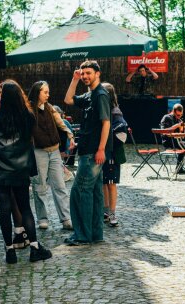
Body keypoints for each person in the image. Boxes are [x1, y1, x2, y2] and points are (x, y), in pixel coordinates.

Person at [0, 79, 51, 264]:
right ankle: (34, 247)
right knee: (25, 207)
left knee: (4, 209)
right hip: (20, 169)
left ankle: (9, 250)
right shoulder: (27, 116)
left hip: (0, 169)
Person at [64, 60, 111, 245]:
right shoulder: (90, 94)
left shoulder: (100, 95)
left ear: (98, 73)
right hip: (87, 151)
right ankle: (95, 234)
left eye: (88, 73)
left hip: (93, 153)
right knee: (94, 193)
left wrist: (101, 149)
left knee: (80, 191)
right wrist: (74, 79)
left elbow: (106, 123)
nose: (85, 76)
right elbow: (68, 100)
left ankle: (82, 235)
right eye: (83, 73)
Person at [27, 81, 75, 231]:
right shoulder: (28, 109)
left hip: (54, 151)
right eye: (45, 92)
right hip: (38, 152)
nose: (48, 95)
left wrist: (70, 135)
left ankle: (66, 219)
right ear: (37, 92)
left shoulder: (50, 108)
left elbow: (61, 124)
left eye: (48, 92)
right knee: (39, 186)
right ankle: (42, 219)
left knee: (60, 185)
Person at [101, 82, 127, 227]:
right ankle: (105, 211)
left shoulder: (115, 113)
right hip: (102, 152)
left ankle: (112, 212)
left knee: (111, 183)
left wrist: (107, 141)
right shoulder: (103, 110)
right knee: (104, 182)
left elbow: (121, 135)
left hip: (111, 154)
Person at [53, 105, 75, 182]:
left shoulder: (63, 122)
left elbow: (64, 137)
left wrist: (63, 150)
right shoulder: (58, 122)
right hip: (63, 147)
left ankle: (66, 173)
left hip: (65, 147)